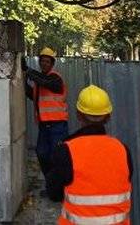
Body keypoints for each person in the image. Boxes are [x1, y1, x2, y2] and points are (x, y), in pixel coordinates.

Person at [46, 85, 133, 224]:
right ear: (108, 116)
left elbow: (54, 193)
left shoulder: (66, 150)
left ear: (78, 114)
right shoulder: (123, 150)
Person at [24, 47, 69, 179]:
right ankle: (51, 183)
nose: (44, 64)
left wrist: (29, 71)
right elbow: (33, 96)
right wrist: (23, 81)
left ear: (52, 64)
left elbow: (46, 82)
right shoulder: (40, 82)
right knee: (42, 153)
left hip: (58, 125)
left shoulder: (55, 78)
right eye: (42, 61)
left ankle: (59, 188)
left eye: (47, 62)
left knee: (56, 156)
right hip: (44, 126)